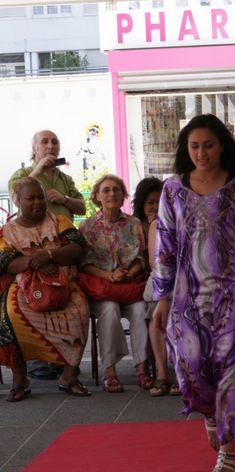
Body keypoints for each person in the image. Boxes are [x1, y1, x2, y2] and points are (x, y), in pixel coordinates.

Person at [152, 114, 235, 472]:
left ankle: (227, 451)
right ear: (185, 149)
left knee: (233, 369)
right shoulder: (172, 190)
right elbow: (164, 247)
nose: (201, 152)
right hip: (187, 294)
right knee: (192, 364)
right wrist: (161, 299)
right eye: (194, 146)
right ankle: (210, 413)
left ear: (221, 145)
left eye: (208, 144)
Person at [0, 178, 91, 401]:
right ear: (18, 201)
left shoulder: (58, 220)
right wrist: (38, 261)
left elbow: (77, 249)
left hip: (62, 284)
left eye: (40, 197)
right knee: (10, 316)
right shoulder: (8, 231)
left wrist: (50, 255)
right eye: (31, 198)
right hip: (24, 288)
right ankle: (20, 379)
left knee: (79, 309)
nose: (37, 202)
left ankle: (69, 376)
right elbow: (7, 263)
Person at [8, 130, 86, 381]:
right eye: (45, 142)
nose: (51, 145)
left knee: (71, 300)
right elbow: (15, 196)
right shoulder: (22, 174)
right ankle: (35, 362)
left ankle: (65, 364)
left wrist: (63, 198)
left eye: (55, 142)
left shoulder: (64, 178)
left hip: (61, 249)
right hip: (27, 254)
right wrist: (38, 172)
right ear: (34, 148)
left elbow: (83, 206)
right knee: (21, 301)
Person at [79, 174, 150, 393]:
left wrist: (128, 274)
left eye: (116, 189)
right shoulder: (87, 227)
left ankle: (142, 369)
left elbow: (141, 259)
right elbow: (84, 264)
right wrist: (108, 276)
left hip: (129, 286)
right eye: (106, 190)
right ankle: (109, 371)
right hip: (103, 289)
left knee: (139, 311)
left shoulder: (134, 224)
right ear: (97, 197)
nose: (112, 194)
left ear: (123, 195)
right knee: (109, 310)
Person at [132, 176, 179, 397]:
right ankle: (162, 373)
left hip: (190, 278)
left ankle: (183, 373)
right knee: (156, 311)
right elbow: (155, 263)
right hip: (163, 278)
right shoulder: (156, 225)